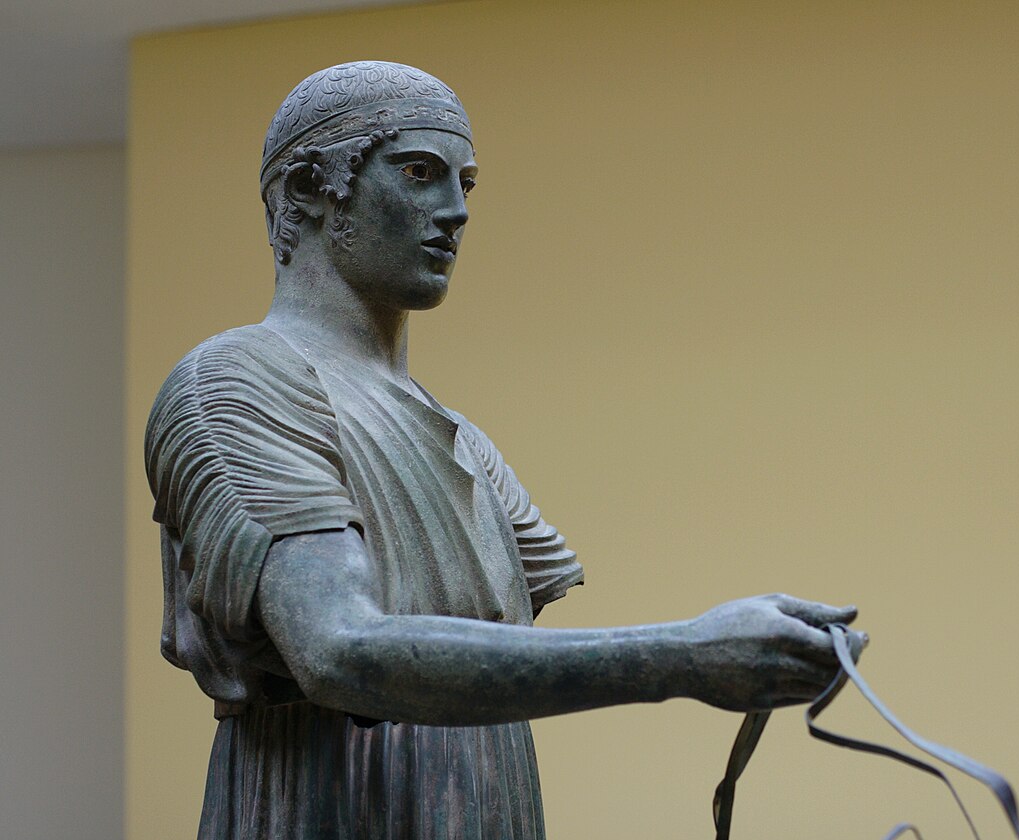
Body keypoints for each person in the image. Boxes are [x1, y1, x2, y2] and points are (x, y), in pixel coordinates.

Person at [145, 61, 866, 840]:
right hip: (342, 810)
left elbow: (488, 669)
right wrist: (684, 657)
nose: (454, 211)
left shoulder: (468, 444)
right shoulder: (238, 380)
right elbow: (338, 651)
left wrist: (732, 652)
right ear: (309, 189)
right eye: (418, 172)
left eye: (466, 183)